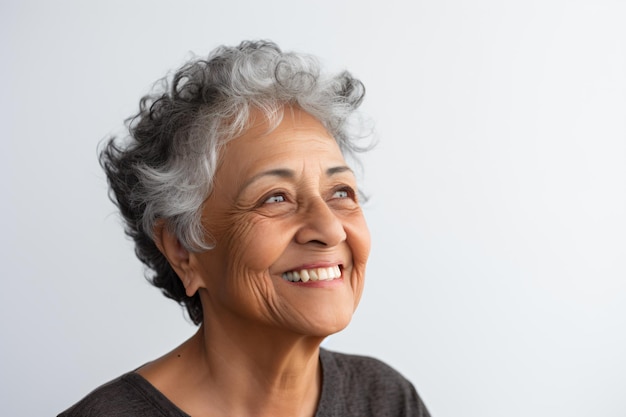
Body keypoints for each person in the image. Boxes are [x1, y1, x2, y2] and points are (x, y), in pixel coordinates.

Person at [59, 40, 430, 417]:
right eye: (275, 198)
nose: (330, 230)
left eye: (340, 192)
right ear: (183, 249)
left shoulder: (384, 400)